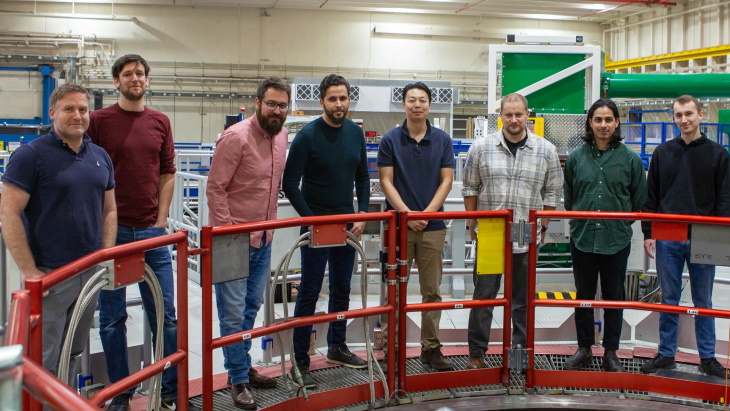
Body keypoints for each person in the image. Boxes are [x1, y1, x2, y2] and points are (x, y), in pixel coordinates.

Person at [87, 54, 195, 411]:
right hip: (112, 235)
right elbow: (88, 170)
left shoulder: (160, 121)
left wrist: (161, 220)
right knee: (112, 319)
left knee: (165, 315)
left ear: (147, 80)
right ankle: (122, 393)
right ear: (116, 81)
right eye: (127, 73)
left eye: (140, 73)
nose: (135, 78)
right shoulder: (98, 121)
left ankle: (170, 392)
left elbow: (167, 173)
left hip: (152, 233)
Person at [1, 83, 116, 381]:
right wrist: (29, 271)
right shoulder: (30, 155)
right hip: (51, 275)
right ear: (52, 113)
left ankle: (64, 399)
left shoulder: (101, 156)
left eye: (83, 109)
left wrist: (104, 257)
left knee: (73, 350)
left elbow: (109, 211)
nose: (77, 115)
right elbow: (8, 213)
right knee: (43, 357)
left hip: (89, 271)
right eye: (69, 109)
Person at [206, 77, 290, 409]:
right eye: (271, 104)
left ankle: (241, 368)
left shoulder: (282, 137)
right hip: (232, 240)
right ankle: (238, 379)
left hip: (263, 238)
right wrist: (229, 233)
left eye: (282, 105)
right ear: (257, 103)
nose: (277, 110)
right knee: (232, 313)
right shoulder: (235, 137)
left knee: (251, 307)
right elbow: (216, 189)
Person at [461, 93, 562, 369]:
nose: (514, 120)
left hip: (526, 233)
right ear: (501, 116)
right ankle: (476, 353)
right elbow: (470, 188)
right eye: (509, 115)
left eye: (519, 114)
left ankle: (520, 352)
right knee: (483, 296)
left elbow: (552, 192)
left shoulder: (546, 150)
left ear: (528, 115)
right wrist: (472, 224)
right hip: (491, 232)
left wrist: (543, 226)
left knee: (522, 299)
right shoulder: (481, 148)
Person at [282, 74, 370, 389]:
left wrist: (363, 212)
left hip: (346, 225)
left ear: (349, 100)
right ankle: (299, 360)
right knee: (309, 290)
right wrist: (312, 221)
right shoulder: (307, 136)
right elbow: (289, 183)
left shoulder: (355, 133)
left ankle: (337, 346)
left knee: (342, 287)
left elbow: (363, 176)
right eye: (332, 98)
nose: (338, 104)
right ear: (321, 101)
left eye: (343, 98)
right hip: (316, 227)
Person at [640, 95, 730, 378]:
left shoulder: (718, 154)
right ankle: (666, 354)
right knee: (669, 298)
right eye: (678, 115)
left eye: (689, 114)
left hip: (704, 235)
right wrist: (648, 232)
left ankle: (707, 357)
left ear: (700, 115)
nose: (684, 120)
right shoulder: (662, 153)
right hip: (668, 235)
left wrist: (720, 236)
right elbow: (651, 196)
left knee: (704, 300)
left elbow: (724, 198)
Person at [562, 99, 647, 372]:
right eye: (598, 119)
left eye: (608, 119)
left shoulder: (630, 159)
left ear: (617, 122)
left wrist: (619, 223)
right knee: (583, 296)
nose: (603, 125)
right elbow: (569, 198)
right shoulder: (576, 158)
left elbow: (639, 200)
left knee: (614, 297)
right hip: (583, 238)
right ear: (590, 122)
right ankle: (584, 348)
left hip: (616, 240)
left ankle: (611, 352)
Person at [377, 82, 455, 370]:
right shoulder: (390, 140)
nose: (417, 105)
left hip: (433, 228)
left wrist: (427, 214)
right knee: (394, 291)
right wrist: (408, 214)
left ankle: (431, 349)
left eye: (422, 100)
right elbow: (386, 181)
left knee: (431, 292)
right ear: (404, 105)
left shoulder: (443, 140)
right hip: (399, 227)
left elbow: (447, 181)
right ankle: (393, 350)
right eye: (411, 100)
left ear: (429, 105)